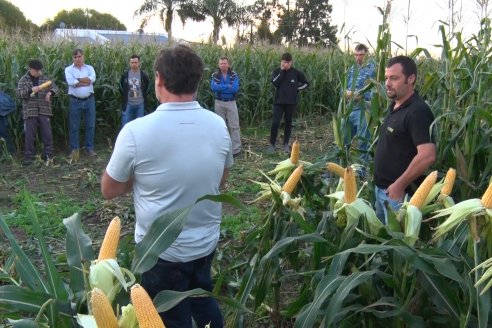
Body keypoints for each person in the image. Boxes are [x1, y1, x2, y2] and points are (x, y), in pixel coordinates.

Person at [101, 45, 232, 328]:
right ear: (198, 81)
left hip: (159, 252)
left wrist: (143, 178)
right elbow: (221, 179)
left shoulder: (136, 131)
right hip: (206, 243)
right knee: (201, 298)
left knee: (169, 317)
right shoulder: (218, 125)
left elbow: (109, 189)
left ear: (158, 80)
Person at [374, 55, 436, 223]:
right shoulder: (395, 104)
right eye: (386, 78)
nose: (387, 83)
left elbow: (427, 155)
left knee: (396, 247)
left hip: (398, 195)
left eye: (394, 78)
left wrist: (399, 186)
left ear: (411, 79)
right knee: (380, 242)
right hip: (381, 189)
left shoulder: (418, 111)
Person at [16, 59, 59, 165]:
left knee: (47, 133)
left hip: (44, 110)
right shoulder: (23, 80)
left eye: (40, 70)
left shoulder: (45, 79)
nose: (39, 72)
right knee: (29, 135)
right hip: (30, 111)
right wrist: (31, 90)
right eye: (37, 70)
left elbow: (56, 89)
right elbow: (19, 94)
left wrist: (50, 93)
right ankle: (29, 157)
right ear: (31, 69)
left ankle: (48, 155)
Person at [269, 52, 309, 153]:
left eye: (287, 62)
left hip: (290, 103)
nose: (285, 64)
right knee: (275, 123)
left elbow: (306, 83)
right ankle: (272, 144)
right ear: (281, 62)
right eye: (283, 62)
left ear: (291, 62)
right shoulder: (277, 71)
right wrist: (282, 71)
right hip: (279, 102)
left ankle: (286, 144)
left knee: (288, 123)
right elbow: (275, 83)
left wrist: (296, 88)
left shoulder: (296, 73)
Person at [344, 43, 375, 163]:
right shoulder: (352, 69)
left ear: (366, 54)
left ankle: (361, 171)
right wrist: (345, 93)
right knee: (343, 140)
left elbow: (377, 90)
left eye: (361, 55)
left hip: (364, 111)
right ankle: (341, 166)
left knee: (363, 143)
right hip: (349, 109)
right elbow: (345, 86)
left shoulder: (373, 69)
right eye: (356, 55)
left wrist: (362, 96)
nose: (358, 58)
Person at [64, 48, 97, 159]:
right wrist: (84, 81)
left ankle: (90, 148)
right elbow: (71, 83)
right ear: (72, 58)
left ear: (83, 57)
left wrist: (78, 79)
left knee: (90, 125)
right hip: (75, 101)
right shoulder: (68, 69)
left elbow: (92, 79)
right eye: (75, 57)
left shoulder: (90, 68)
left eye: (79, 56)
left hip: (89, 100)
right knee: (74, 126)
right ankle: (74, 150)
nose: (77, 59)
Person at [210, 56, 242, 157]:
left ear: (228, 64)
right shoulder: (215, 75)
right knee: (220, 126)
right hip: (219, 103)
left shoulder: (233, 75)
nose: (223, 65)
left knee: (234, 126)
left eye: (224, 63)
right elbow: (213, 87)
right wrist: (227, 86)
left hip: (231, 102)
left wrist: (221, 88)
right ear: (218, 65)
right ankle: (221, 148)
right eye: (221, 64)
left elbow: (235, 88)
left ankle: (236, 150)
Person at [119, 54, 150, 128]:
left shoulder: (144, 76)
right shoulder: (125, 75)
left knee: (140, 127)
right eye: (132, 62)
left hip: (140, 105)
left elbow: (148, 88)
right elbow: (121, 88)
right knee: (125, 126)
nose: (134, 64)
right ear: (129, 63)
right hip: (128, 104)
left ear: (139, 63)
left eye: (135, 62)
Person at [0, 89, 15, 156]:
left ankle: (11, 154)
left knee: (4, 135)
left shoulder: (2, 95)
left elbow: (12, 105)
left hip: (1, 119)